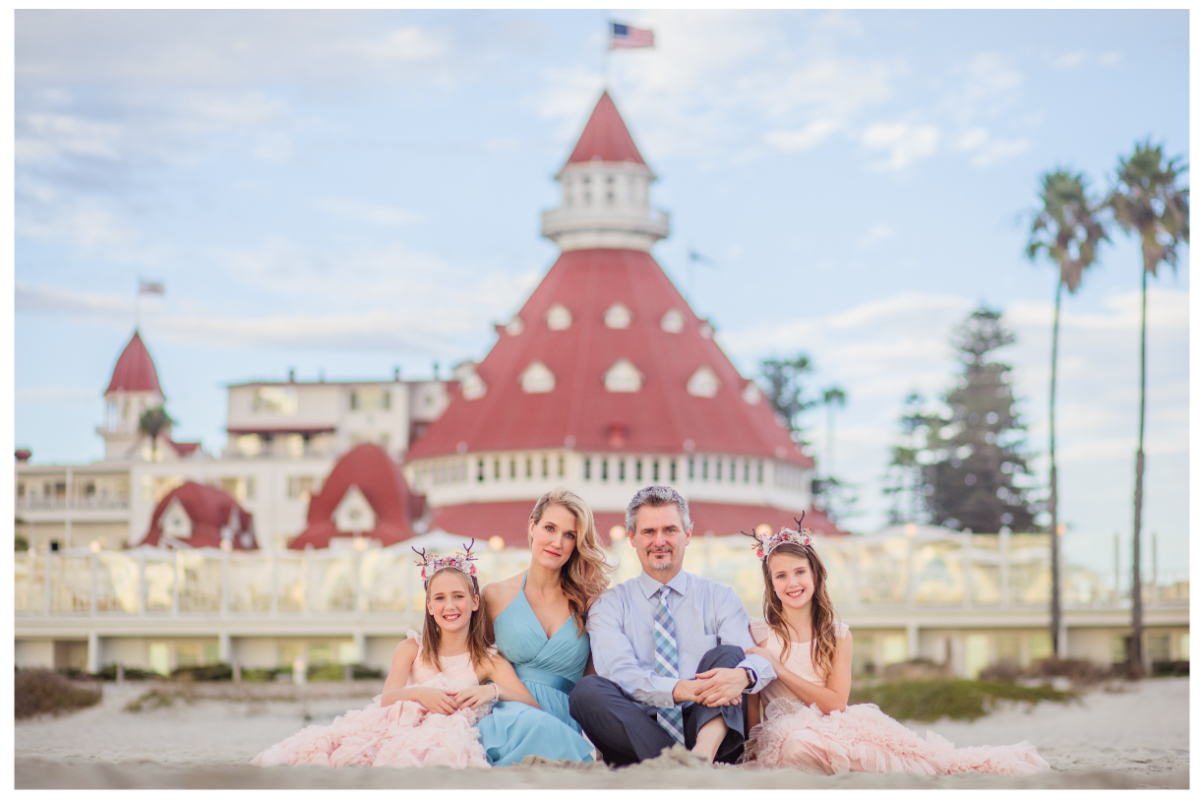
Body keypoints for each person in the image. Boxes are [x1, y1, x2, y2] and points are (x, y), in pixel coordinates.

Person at [741, 521, 1051, 776]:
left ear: (814, 574)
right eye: (781, 576)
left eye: (799, 572)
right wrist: (752, 746)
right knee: (797, 745)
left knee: (924, 761)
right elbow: (751, 702)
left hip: (833, 726)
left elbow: (835, 703)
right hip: (783, 736)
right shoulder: (757, 633)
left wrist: (779, 668)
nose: (792, 582)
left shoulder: (836, 635)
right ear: (771, 583)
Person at [252, 543, 538, 769]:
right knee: (336, 749)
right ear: (428, 606)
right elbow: (387, 697)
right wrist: (421, 693)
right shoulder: (412, 648)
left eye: (458, 596)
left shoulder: (485, 659)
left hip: (439, 734)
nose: (449, 606)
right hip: (398, 725)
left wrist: (491, 691)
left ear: (475, 601)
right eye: (439, 598)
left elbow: (529, 702)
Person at [569, 485, 776, 766]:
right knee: (586, 692)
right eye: (648, 532)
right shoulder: (610, 605)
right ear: (632, 537)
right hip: (637, 730)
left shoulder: (718, 596)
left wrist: (744, 677)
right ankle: (686, 766)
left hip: (706, 726)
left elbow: (757, 659)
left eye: (670, 530)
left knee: (729, 657)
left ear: (687, 534)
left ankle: (700, 756)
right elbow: (621, 674)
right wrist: (682, 689)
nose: (660, 541)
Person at [475, 488, 610, 765]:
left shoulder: (589, 603)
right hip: (507, 715)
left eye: (569, 535)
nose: (557, 542)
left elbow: (595, 681)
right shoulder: (494, 596)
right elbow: (472, 665)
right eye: (550, 528)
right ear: (532, 527)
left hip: (563, 723)